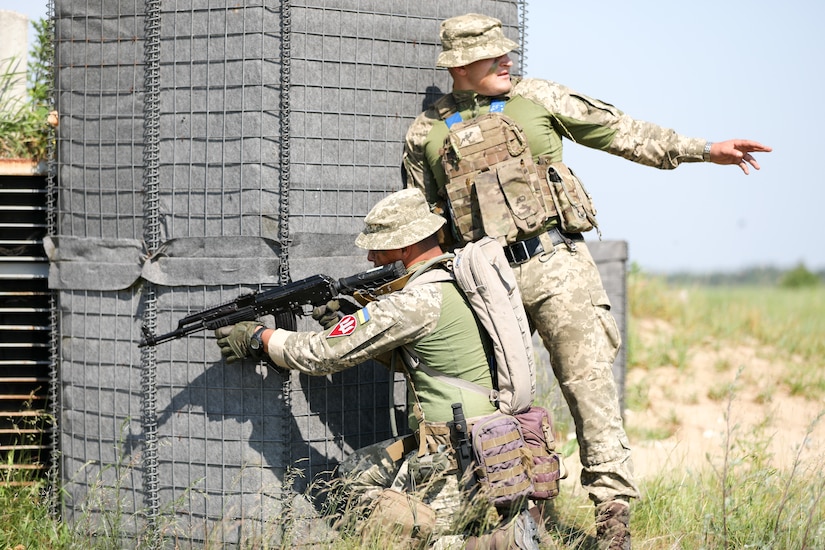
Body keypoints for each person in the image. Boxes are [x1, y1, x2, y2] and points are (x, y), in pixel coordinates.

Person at [401, 13, 772, 550]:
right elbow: (424, 221)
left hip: (557, 269)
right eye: (493, 55)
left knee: (590, 391)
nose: (508, 60)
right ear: (461, 65)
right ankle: (520, 521)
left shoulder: (539, 97)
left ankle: (613, 520)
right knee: (495, 402)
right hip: (486, 282)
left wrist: (704, 150)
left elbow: (620, 131)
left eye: (507, 51)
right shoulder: (425, 133)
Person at [214, 188, 541, 549]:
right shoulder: (453, 281)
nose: (370, 257)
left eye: (378, 246)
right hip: (479, 439)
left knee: (426, 538)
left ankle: (502, 541)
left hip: (454, 453)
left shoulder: (415, 301)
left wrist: (261, 337)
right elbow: (428, 358)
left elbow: (321, 355)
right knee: (355, 475)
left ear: (404, 247)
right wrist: (349, 320)